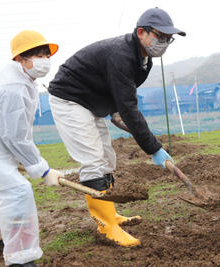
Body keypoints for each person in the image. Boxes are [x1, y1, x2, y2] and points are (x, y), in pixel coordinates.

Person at [48, 7, 185, 247]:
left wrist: (113, 109)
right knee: (92, 159)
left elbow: (118, 89)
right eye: (159, 36)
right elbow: (130, 109)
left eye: (168, 39)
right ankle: (106, 225)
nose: (164, 42)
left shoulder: (144, 60)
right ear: (141, 32)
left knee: (106, 157)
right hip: (70, 99)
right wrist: (154, 149)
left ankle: (110, 214)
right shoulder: (121, 54)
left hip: (91, 101)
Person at [0, 30, 63, 267]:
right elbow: (15, 136)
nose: (44, 60)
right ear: (19, 59)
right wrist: (43, 170)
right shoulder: (12, 88)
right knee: (16, 192)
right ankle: (21, 259)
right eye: (37, 54)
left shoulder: (23, 81)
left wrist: (27, 160)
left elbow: (15, 133)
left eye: (46, 54)